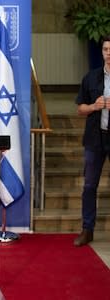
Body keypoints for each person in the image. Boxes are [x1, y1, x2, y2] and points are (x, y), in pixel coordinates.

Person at [74, 35, 110, 247]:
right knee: (89, 185)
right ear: (103, 52)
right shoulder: (91, 77)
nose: (109, 53)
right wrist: (94, 107)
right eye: (106, 49)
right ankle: (87, 229)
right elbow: (80, 108)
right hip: (95, 139)